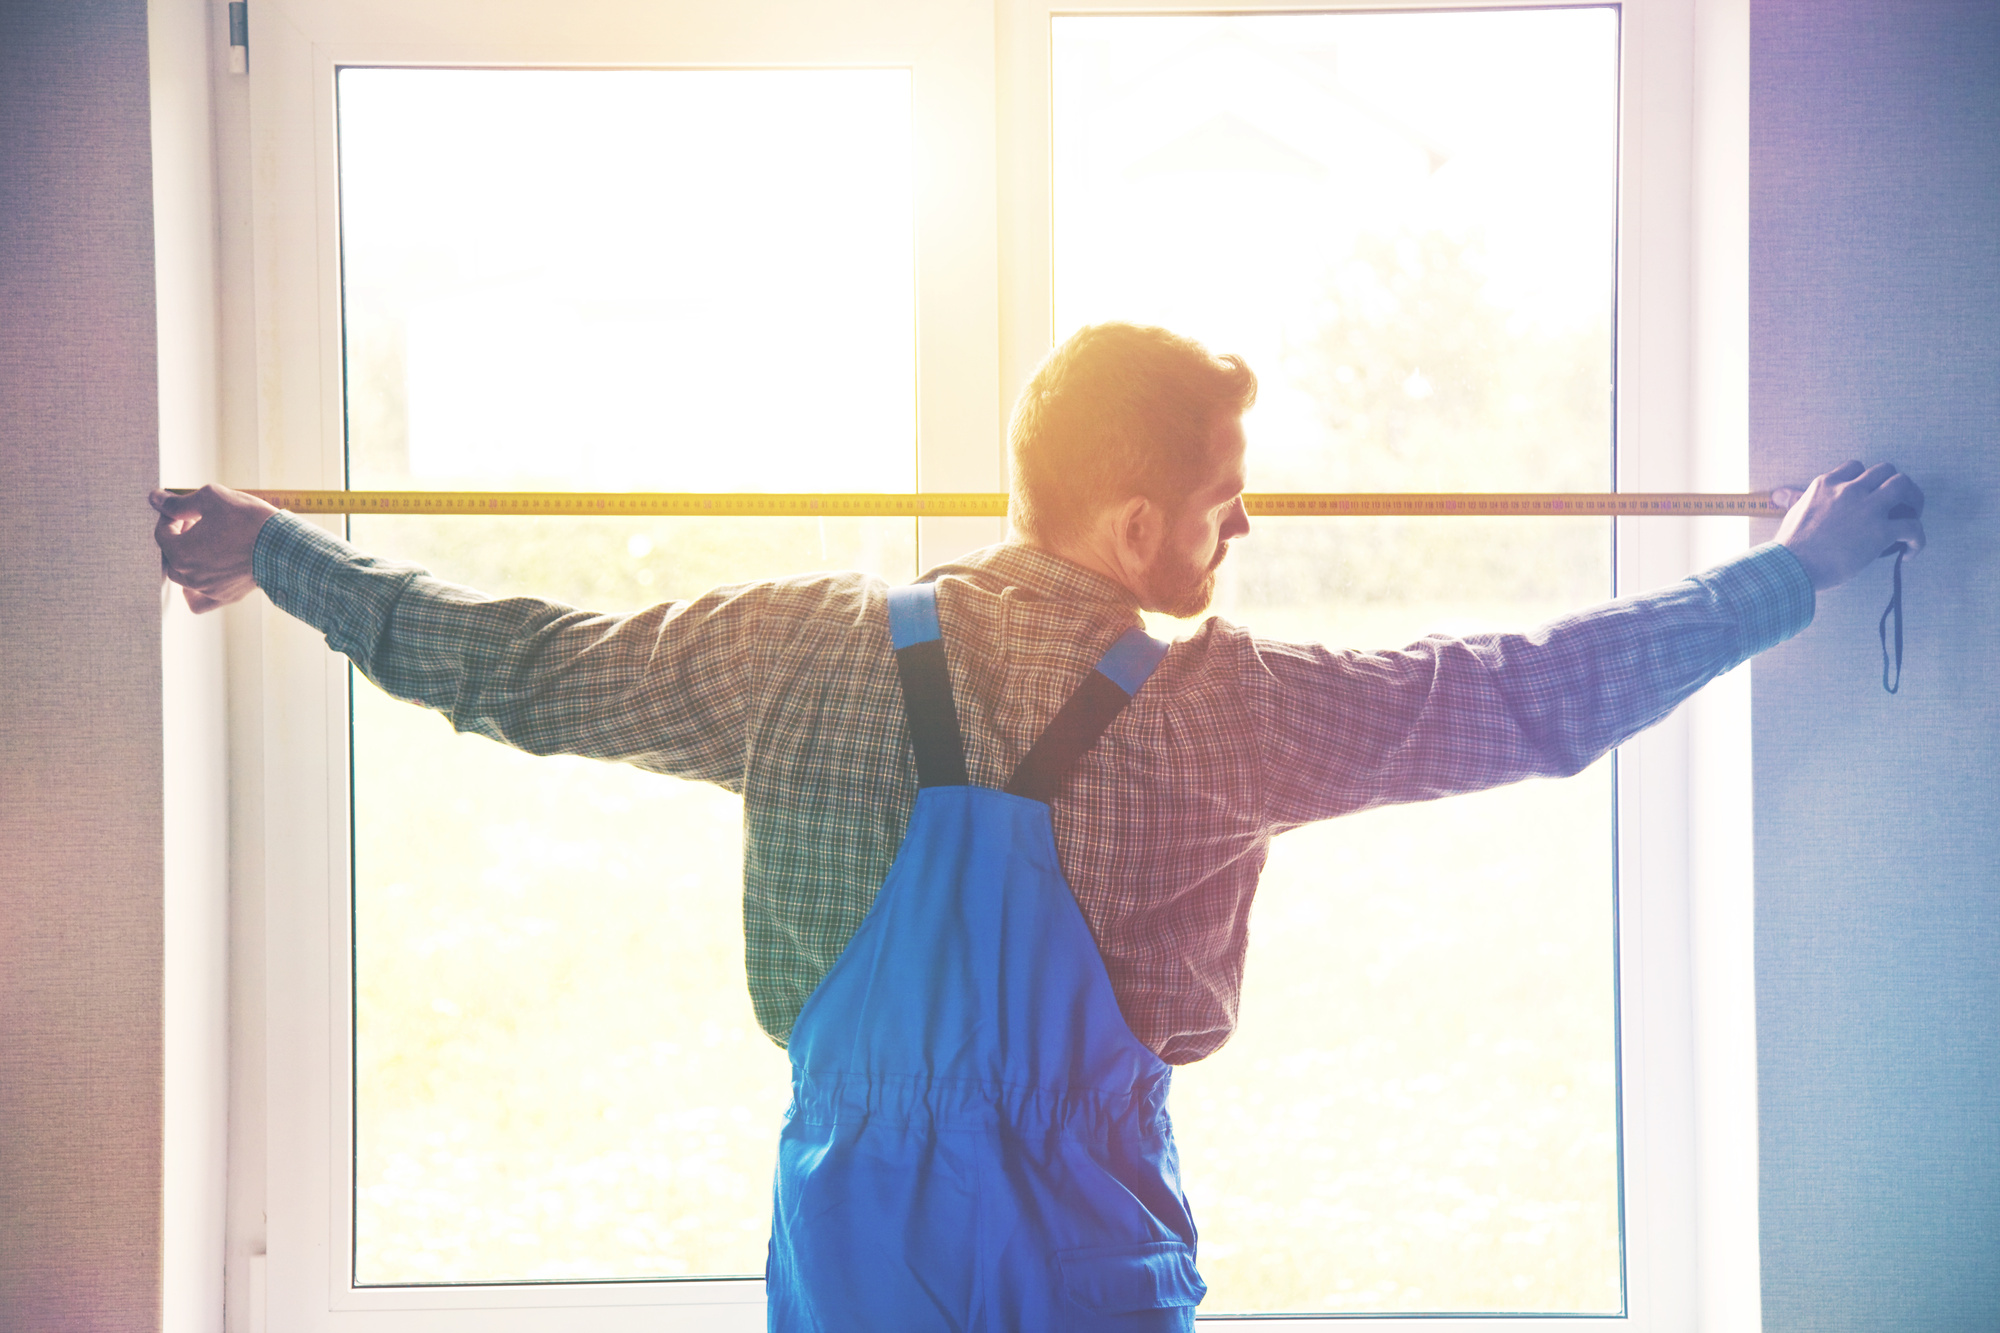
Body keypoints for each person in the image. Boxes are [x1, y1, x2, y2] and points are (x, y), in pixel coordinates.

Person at [154, 322, 1924, 1330]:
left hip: (851, 1264)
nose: (1242, 545)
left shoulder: (794, 646)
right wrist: (1788, 575)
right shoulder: (1225, 706)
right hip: (1087, 1265)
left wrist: (280, 549)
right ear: (1141, 521)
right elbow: (1524, 694)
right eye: (1226, 512)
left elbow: (514, 665)